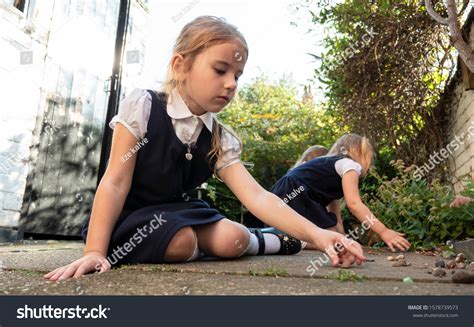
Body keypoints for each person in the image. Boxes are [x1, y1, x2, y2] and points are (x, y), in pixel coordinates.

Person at [44, 16, 365, 281]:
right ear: (181, 65)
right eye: (220, 70)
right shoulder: (143, 106)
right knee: (181, 242)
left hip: (175, 213)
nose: (231, 84)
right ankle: (210, 241)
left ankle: (276, 241)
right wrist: (94, 251)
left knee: (235, 238)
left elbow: (257, 196)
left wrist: (319, 235)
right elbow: (114, 183)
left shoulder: (218, 138)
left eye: (238, 75)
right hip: (127, 217)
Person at [262, 134, 411, 254]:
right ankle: (285, 239)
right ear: (360, 153)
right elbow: (354, 204)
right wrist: (383, 231)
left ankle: (281, 236)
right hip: (297, 191)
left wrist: (341, 234)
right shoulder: (351, 165)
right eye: (369, 158)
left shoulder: (330, 168)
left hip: (286, 189)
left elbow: (333, 211)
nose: (370, 164)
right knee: (334, 241)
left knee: (334, 236)